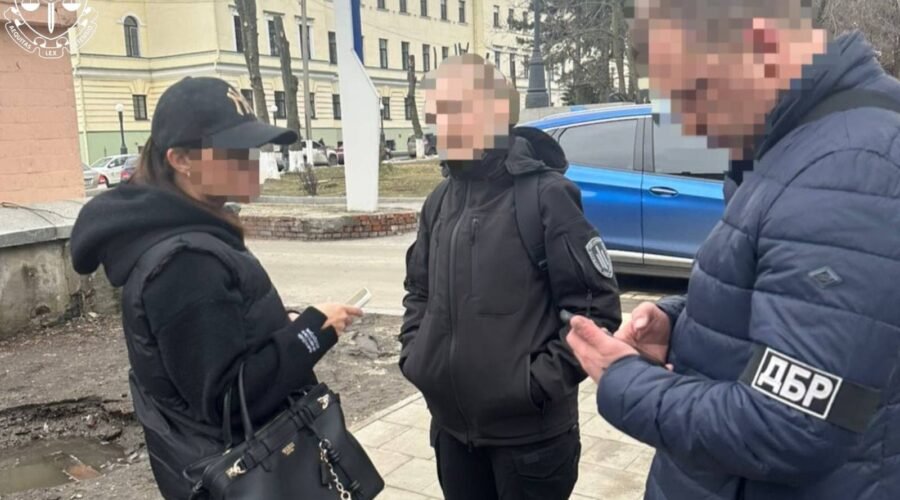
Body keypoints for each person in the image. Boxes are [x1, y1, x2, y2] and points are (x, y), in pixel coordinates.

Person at [565, 1, 900, 499]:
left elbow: (791, 426)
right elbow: (792, 306)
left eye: (690, 91)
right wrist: (680, 323)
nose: (685, 122)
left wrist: (623, 380)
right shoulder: (804, 145)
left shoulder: (848, 168)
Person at [70, 77, 362, 499]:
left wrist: (275, 326)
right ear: (181, 160)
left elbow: (216, 347)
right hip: (251, 478)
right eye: (236, 150)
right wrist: (313, 332)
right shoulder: (185, 262)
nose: (254, 161)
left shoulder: (185, 235)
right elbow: (229, 401)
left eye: (254, 148)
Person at [399, 54, 622, 500]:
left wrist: (534, 385)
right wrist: (416, 355)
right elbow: (418, 291)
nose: (438, 129)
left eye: (451, 113)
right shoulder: (439, 201)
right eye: (434, 116)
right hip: (453, 434)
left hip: (531, 444)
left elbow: (595, 309)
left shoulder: (546, 196)